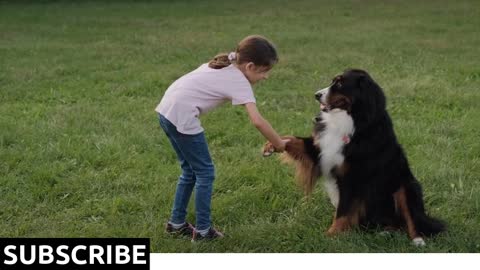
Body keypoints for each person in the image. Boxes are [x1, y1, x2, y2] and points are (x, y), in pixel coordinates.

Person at [156, 35, 288, 241]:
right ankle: (202, 231)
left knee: (190, 171)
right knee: (205, 173)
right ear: (251, 66)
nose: (265, 77)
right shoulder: (240, 82)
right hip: (182, 117)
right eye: (264, 72)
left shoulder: (225, 64)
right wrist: (279, 143)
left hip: (166, 111)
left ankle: (176, 224)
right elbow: (257, 121)